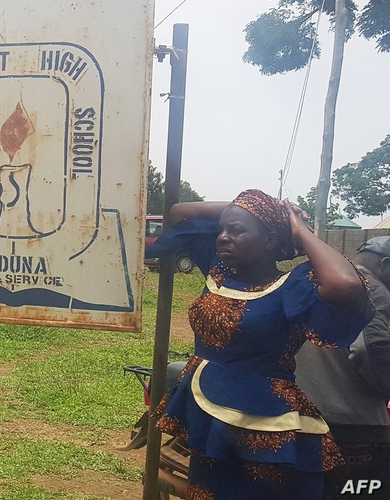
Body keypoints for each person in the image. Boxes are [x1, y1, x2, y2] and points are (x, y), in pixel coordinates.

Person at [146, 189, 373, 500]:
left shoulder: (293, 286)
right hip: (207, 415)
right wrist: (254, 206)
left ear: (269, 241)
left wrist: (297, 226)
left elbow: (345, 284)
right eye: (222, 229)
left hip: (266, 424)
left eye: (237, 230)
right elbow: (178, 211)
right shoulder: (219, 271)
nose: (223, 237)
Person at [295, 236, 390, 499]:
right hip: (353, 427)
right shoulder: (371, 287)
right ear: (385, 264)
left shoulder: (320, 279)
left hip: (301, 419)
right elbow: (368, 349)